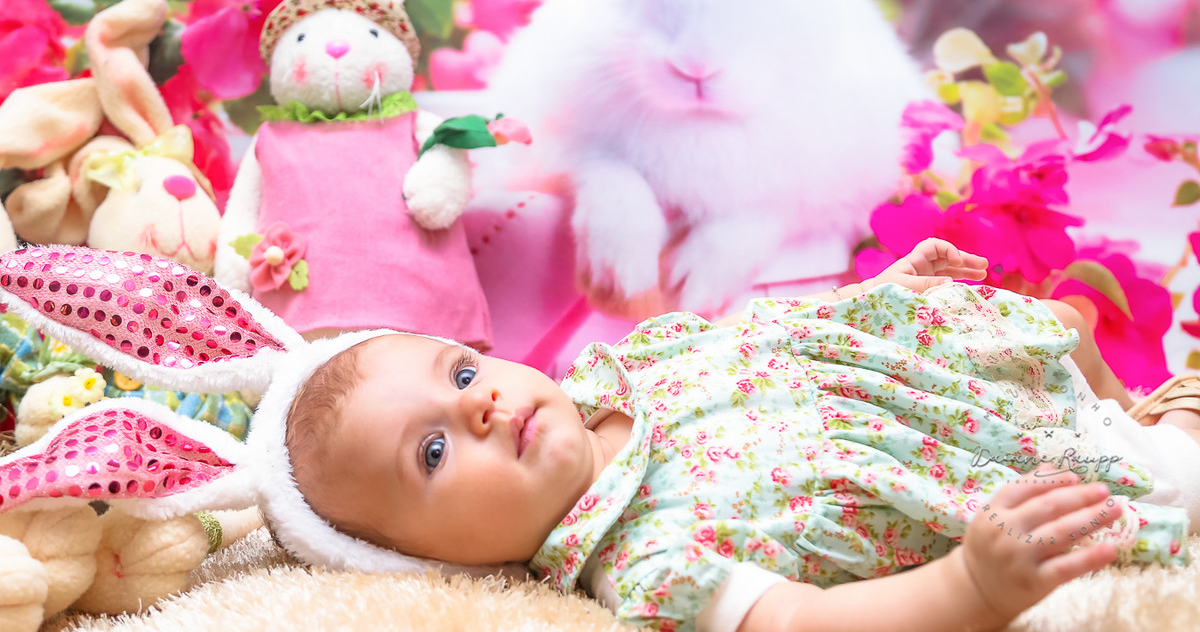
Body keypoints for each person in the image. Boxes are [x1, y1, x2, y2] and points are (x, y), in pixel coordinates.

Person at [283, 239, 1199, 632]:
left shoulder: (619, 369)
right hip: (985, 468)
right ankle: (1169, 425)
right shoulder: (646, 564)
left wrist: (880, 292)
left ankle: (1136, 398)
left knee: (1062, 324)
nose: (479, 408)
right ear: (433, 561)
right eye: (433, 452)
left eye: (460, 374)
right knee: (1172, 478)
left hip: (946, 375)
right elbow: (804, 621)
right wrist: (970, 585)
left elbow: (762, 335)